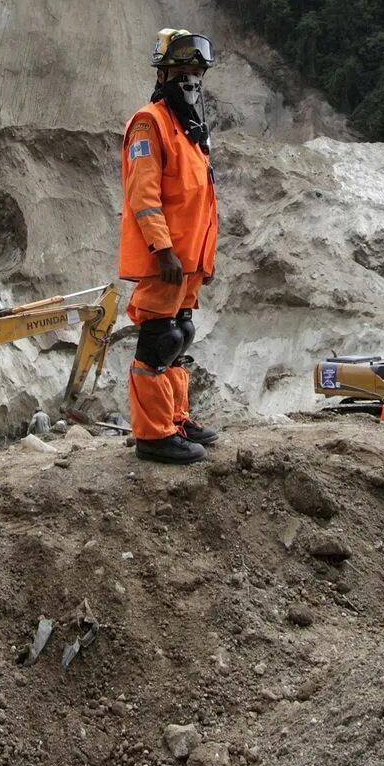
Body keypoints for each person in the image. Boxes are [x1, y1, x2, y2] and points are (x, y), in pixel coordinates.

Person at [119, 28, 222, 465]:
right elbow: (143, 195)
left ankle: (177, 419)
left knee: (181, 337)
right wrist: (163, 250)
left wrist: (201, 257)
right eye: (182, 70)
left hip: (190, 260)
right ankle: (153, 435)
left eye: (196, 71)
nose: (191, 79)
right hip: (168, 259)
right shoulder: (150, 123)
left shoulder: (191, 131)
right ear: (163, 74)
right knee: (159, 342)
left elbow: (200, 199)